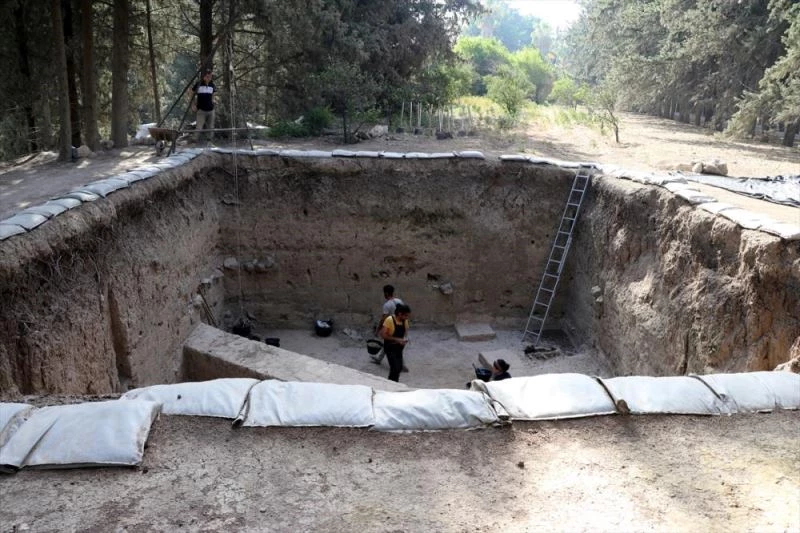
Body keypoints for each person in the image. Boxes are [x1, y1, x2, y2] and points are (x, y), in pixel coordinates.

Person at [370, 285, 407, 372]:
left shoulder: (387, 305)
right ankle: (378, 358)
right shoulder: (399, 301)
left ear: (386, 293)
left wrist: (378, 329)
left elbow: (383, 319)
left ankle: (401, 365)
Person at [379, 303, 411, 382]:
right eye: (406, 315)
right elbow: (382, 334)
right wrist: (397, 340)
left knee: (399, 368)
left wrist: (405, 340)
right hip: (390, 348)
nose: (407, 317)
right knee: (395, 368)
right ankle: (390, 384)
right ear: (400, 314)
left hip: (399, 348)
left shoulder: (405, 321)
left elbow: (405, 333)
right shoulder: (390, 320)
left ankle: (394, 384)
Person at [191, 68, 216, 144]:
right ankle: (193, 141)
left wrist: (213, 101)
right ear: (204, 76)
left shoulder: (212, 85)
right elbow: (191, 92)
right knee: (199, 127)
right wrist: (193, 104)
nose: (209, 78)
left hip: (211, 109)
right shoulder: (198, 84)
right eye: (208, 76)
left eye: (210, 76)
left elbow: (213, 95)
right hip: (201, 109)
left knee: (211, 127)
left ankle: (209, 142)